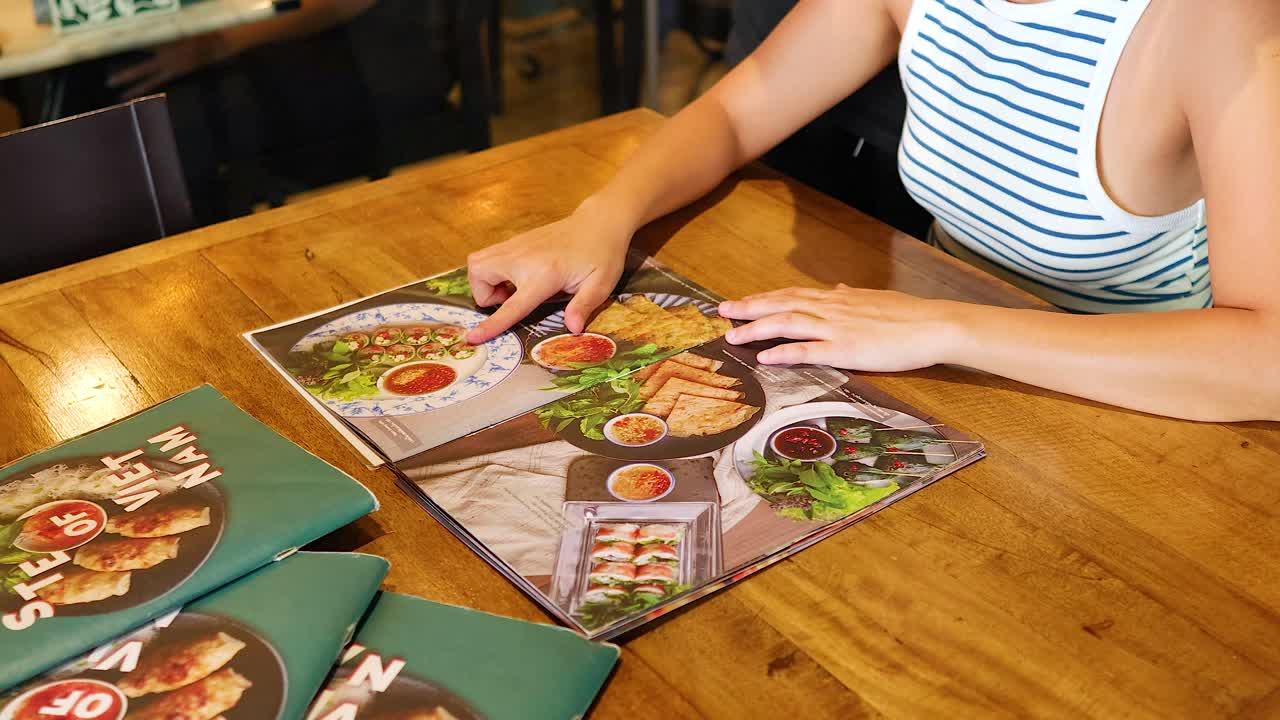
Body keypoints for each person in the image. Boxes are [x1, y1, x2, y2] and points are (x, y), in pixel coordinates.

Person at [464, 0, 1280, 422]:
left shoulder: (1220, 22)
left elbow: (1265, 360)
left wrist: (946, 329)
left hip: (1152, 417)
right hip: (941, 380)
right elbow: (738, 113)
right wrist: (603, 217)